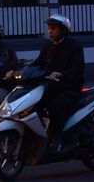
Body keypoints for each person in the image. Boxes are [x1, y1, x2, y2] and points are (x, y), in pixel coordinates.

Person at [25, 14, 84, 153]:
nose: (50, 31)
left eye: (53, 28)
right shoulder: (48, 46)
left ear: (63, 30)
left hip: (70, 87)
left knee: (56, 106)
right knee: (33, 104)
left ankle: (58, 138)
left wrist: (62, 74)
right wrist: (21, 70)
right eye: (49, 28)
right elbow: (38, 62)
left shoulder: (74, 46)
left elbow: (78, 69)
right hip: (51, 86)